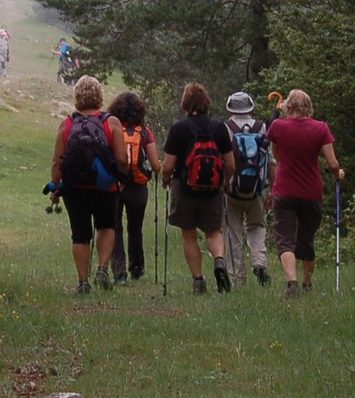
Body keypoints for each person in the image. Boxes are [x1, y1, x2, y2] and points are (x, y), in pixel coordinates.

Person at [51, 76, 130, 294]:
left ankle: (83, 282)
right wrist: (121, 178)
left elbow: (57, 162)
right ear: (99, 95)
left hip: (74, 188)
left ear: (77, 95)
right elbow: (122, 158)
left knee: (80, 233)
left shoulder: (67, 124)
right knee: (106, 226)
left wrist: (55, 187)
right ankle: (103, 268)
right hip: (105, 187)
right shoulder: (111, 122)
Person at [266, 89, 345, 297]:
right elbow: (332, 163)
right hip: (311, 192)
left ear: (288, 106)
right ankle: (307, 283)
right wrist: (337, 174)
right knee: (306, 239)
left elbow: (276, 154)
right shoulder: (320, 128)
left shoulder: (277, 126)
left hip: (284, 190)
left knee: (285, 239)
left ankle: (292, 282)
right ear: (309, 107)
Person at [159, 82, 236, 294]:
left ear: (185, 103)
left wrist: (165, 180)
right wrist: (225, 182)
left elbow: (168, 166)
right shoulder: (219, 128)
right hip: (212, 190)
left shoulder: (178, 129)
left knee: (189, 234)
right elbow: (230, 165)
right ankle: (219, 261)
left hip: (184, 189)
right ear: (206, 102)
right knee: (213, 231)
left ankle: (198, 280)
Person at [107, 91, 162, 285]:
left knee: (115, 228)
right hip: (138, 188)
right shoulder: (145, 133)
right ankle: (137, 268)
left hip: (115, 185)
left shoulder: (111, 129)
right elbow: (155, 165)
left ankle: (119, 273)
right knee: (135, 228)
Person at [221, 91, 271, 287]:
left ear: (230, 108)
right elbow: (271, 160)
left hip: (231, 188)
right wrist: (272, 189)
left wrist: (224, 184)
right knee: (257, 226)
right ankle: (259, 262)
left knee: (232, 232)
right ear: (250, 108)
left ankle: (237, 278)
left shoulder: (226, 128)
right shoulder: (261, 127)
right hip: (258, 189)